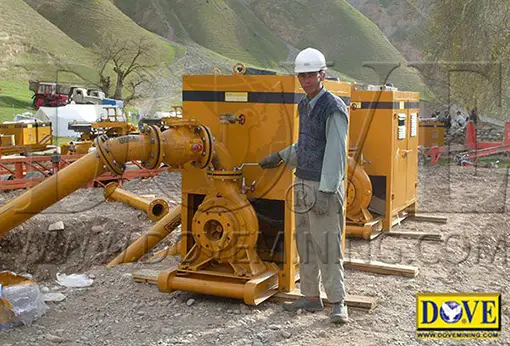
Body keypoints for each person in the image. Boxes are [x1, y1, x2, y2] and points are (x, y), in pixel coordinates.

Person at [259, 47, 349, 324]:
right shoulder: (304, 104)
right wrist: (282, 156)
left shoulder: (333, 107)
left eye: (310, 75)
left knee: (328, 245)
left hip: (323, 187)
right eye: (301, 75)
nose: (305, 80)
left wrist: (326, 191)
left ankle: (338, 302)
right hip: (301, 182)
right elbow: (307, 144)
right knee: (306, 242)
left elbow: (336, 152)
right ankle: (311, 296)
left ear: (322, 75)